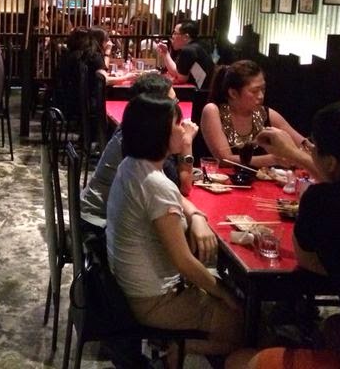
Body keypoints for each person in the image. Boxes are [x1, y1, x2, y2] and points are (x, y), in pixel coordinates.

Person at [227, 102, 340, 369]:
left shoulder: (322, 199)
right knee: (333, 327)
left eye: (314, 145)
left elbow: (307, 261)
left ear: (330, 161)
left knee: (240, 360)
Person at [107, 94, 243, 362]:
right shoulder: (155, 184)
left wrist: (197, 216)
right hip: (155, 301)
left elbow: (178, 197)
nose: (184, 128)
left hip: (128, 291)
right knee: (246, 323)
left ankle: (177, 347)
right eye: (178, 124)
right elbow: (184, 262)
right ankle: (177, 349)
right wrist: (223, 293)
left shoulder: (133, 165)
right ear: (158, 135)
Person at [80, 74, 197, 233]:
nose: (178, 108)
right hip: (97, 224)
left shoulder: (135, 129)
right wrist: (187, 143)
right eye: (173, 103)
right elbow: (183, 187)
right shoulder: (142, 141)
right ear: (155, 106)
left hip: (100, 217)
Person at [200, 60, 304, 168]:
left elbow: (302, 143)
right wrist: (274, 159)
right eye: (254, 91)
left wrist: (304, 150)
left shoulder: (266, 113)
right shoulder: (213, 111)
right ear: (233, 93)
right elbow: (224, 159)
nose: (261, 96)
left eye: (263, 89)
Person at [156, 21, 214, 88]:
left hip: (197, 92)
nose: (172, 36)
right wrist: (165, 53)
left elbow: (181, 79)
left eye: (175, 33)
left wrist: (166, 53)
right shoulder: (200, 46)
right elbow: (178, 72)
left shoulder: (188, 50)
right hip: (203, 90)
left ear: (186, 37)